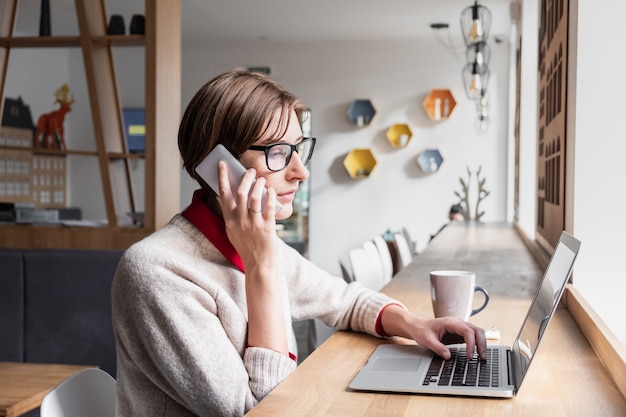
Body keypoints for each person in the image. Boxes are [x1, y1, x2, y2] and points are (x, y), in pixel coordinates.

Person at [111, 68, 486, 417]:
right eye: (277, 153)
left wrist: (414, 323)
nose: (301, 171)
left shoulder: (253, 244)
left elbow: (347, 301)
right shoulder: (158, 272)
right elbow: (259, 411)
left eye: (298, 148)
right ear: (219, 167)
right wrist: (261, 268)